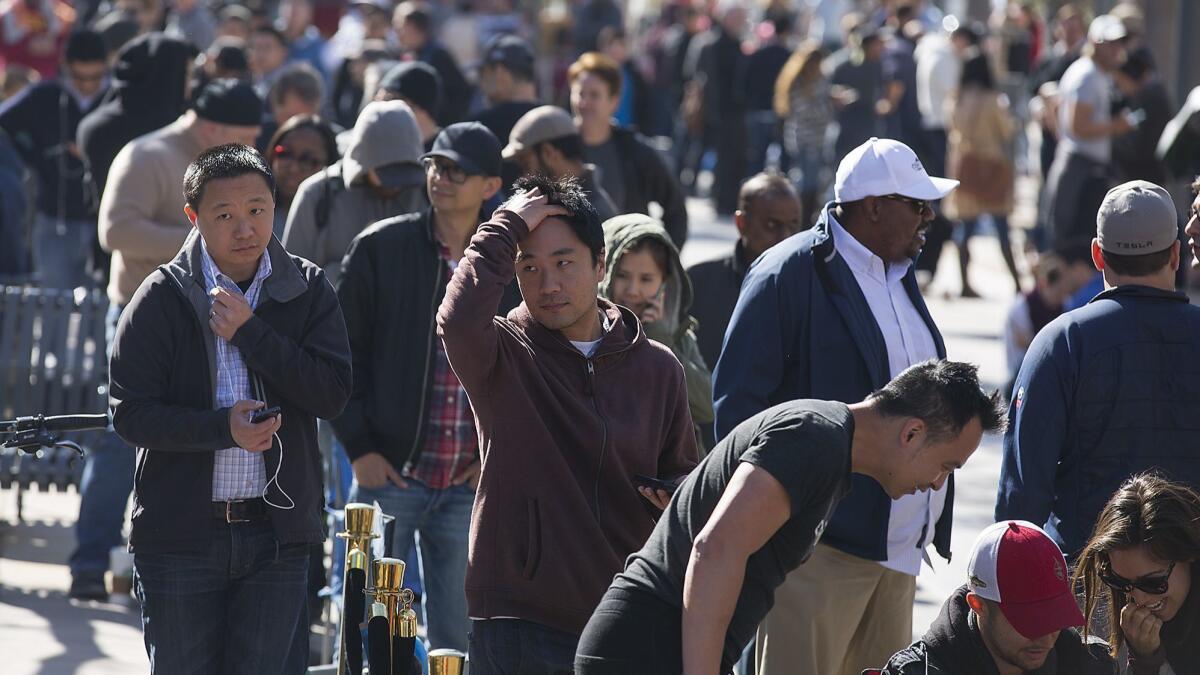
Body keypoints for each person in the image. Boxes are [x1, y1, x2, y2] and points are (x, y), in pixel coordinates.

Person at [575, 360, 1005, 674]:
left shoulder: (828, 446)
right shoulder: (814, 438)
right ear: (912, 433)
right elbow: (715, 549)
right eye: (946, 466)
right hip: (644, 650)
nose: (936, 484)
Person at [436, 174, 699, 673]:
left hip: (624, 615)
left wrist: (676, 494)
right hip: (519, 618)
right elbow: (456, 319)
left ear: (600, 264)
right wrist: (507, 224)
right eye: (529, 267)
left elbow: (683, 473)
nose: (548, 284)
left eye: (563, 263)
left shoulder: (658, 367)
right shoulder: (504, 353)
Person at [714, 137, 958, 675]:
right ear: (873, 207)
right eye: (917, 205)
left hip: (897, 554)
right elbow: (738, 411)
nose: (929, 217)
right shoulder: (788, 273)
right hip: (814, 556)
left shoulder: (898, 271)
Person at [109, 143, 351, 674]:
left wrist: (251, 333)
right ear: (193, 217)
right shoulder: (160, 298)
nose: (245, 229)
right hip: (181, 537)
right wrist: (224, 429)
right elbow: (130, 414)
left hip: (277, 534)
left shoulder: (305, 288)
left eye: (258, 210)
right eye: (225, 215)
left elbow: (331, 393)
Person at [333, 122, 509, 653]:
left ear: (490, 186)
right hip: (387, 473)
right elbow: (340, 359)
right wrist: (359, 448)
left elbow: (531, 374)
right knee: (366, 634)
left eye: (457, 170)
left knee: (457, 640)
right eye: (435, 165)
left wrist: (496, 456)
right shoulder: (379, 249)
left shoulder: (511, 265)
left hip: (467, 484)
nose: (441, 178)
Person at [996, 181, 1200, 559]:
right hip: (1188, 580)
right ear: (1174, 254)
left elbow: (1022, 497)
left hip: (1086, 581)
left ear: (1097, 255)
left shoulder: (1062, 342)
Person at [875, 520, 1116, 674]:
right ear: (977, 605)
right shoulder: (918, 671)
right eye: (1030, 621)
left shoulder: (1092, 664)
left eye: (1053, 617)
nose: (1045, 636)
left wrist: (1147, 659)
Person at [0, 28, 108, 289]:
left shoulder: (116, 97)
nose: (87, 84)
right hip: (53, 220)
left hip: (101, 222)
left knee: (97, 310)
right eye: (80, 76)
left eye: (95, 76)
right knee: (52, 305)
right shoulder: (45, 94)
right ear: (66, 66)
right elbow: (5, 122)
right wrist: (36, 156)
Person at [282, 99, 426, 285]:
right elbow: (291, 280)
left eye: (404, 173)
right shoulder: (317, 195)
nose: (396, 185)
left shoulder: (423, 194)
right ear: (364, 161)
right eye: (388, 173)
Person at [600, 213, 712, 450]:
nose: (633, 290)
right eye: (622, 276)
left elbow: (706, 407)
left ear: (665, 282)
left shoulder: (677, 335)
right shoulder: (588, 332)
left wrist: (660, 341)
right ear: (603, 272)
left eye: (646, 279)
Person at [1074, 473, 1200, 675]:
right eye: (1119, 582)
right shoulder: (1134, 627)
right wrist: (1146, 660)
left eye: (1153, 582)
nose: (1138, 598)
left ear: (1190, 554)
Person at [569, 51, 689, 249]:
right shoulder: (557, 148)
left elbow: (675, 209)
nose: (584, 103)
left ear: (614, 101)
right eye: (580, 93)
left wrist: (661, 261)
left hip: (623, 269)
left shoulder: (636, 152)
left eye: (594, 95)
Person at [686, 172, 801, 372]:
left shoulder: (813, 287)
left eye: (793, 226)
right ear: (741, 223)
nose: (786, 237)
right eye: (772, 225)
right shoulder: (698, 283)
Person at [1040, 14, 1132, 251]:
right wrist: (1116, 126)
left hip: (1080, 164)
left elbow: (1058, 108)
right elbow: (1077, 126)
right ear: (1095, 44)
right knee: (1067, 243)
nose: (1117, 49)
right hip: (1078, 167)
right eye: (1110, 43)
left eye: (1119, 43)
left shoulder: (1095, 73)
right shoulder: (1088, 75)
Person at [943, 51, 1021, 297]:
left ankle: (964, 283)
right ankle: (1018, 283)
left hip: (965, 166)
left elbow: (952, 128)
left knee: (965, 228)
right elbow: (1007, 131)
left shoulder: (955, 99)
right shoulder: (993, 100)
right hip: (991, 166)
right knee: (1002, 227)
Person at [503, 105, 618, 222]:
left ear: (549, 153)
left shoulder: (596, 216)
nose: (524, 177)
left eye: (526, 164)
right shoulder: (560, 206)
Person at [683, 2, 746, 215]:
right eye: (738, 17)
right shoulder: (711, 43)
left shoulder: (736, 43)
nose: (741, 22)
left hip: (731, 112)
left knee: (727, 157)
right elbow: (700, 78)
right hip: (715, 111)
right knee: (701, 150)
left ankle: (723, 198)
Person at [775, 41, 833, 228]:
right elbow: (803, 110)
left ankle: (805, 215)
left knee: (815, 180)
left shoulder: (819, 79)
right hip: (803, 138)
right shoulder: (797, 82)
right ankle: (799, 217)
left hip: (818, 137)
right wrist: (829, 106)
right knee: (806, 181)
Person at [393, 1, 470, 125]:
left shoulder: (437, 57)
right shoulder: (414, 55)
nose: (396, 32)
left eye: (399, 25)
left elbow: (461, 94)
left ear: (413, 26)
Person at [265, 115, 338, 237]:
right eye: (285, 154)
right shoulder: (252, 216)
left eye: (308, 160)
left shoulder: (341, 221)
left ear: (330, 166)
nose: (293, 168)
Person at [470, 34, 539, 156]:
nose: (480, 81)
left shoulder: (480, 127)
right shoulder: (559, 122)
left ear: (499, 72)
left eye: (482, 73)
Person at [830, 30, 885, 161]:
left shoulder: (878, 65)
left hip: (869, 123)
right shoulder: (844, 66)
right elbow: (831, 89)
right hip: (848, 124)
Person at [375, 61, 442, 150]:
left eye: (390, 101)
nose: (379, 111)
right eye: (378, 102)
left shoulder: (447, 153)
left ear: (420, 106)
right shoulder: (383, 151)